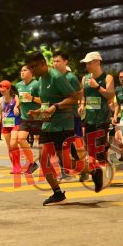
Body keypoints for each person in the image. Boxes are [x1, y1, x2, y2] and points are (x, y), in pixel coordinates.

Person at [24, 51, 78, 205]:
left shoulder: (56, 77)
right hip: (48, 125)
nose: (32, 71)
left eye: (34, 67)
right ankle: (57, 193)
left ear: (43, 63)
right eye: (30, 68)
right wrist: (38, 112)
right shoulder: (41, 79)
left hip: (63, 125)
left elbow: (73, 98)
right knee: (43, 159)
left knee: (67, 165)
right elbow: (46, 102)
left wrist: (55, 107)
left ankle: (92, 170)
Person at [79, 51, 115, 191]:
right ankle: (96, 172)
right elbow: (83, 95)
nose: (87, 65)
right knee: (89, 149)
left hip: (102, 118)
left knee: (97, 149)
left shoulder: (108, 78)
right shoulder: (85, 78)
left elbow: (110, 96)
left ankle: (101, 169)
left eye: (89, 63)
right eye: (86, 63)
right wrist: (82, 105)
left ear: (97, 62)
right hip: (89, 119)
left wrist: (98, 87)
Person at [52, 51, 85, 181]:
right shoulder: (53, 78)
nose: (55, 64)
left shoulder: (71, 78)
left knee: (74, 146)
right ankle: (65, 170)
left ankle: (84, 169)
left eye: (58, 61)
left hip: (71, 117)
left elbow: (77, 96)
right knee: (58, 147)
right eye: (54, 61)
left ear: (65, 62)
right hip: (57, 117)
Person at [14, 64, 42, 175]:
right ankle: (32, 163)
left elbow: (44, 100)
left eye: (25, 70)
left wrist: (32, 98)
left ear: (31, 72)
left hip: (37, 118)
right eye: (21, 70)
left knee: (43, 144)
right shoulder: (18, 85)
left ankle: (47, 163)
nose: (22, 72)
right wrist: (16, 106)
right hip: (25, 118)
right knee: (20, 139)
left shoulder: (37, 84)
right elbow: (21, 99)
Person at [0, 80, 22, 174]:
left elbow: (18, 103)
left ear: (9, 88)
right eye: (0, 90)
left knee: (13, 143)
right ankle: (14, 166)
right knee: (10, 147)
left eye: (3, 90)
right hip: (5, 124)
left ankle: (18, 165)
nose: (1, 91)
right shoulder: (0, 100)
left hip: (15, 123)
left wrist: (16, 107)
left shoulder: (15, 97)